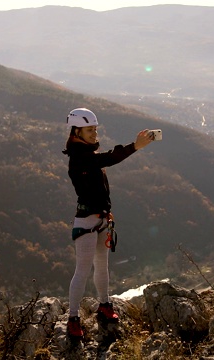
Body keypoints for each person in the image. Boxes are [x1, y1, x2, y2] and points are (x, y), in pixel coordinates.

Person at [62, 107, 155, 338]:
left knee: (101, 266)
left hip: (100, 219)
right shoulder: (79, 158)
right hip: (86, 221)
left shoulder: (86, 156)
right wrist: (135, 147)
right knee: (82, 271)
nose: (95, 133)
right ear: (76, 132)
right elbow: (108, 159)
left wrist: (107, 213)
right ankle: (73, 318)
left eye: (95, 129)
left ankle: (104, 305)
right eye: (89, 130)